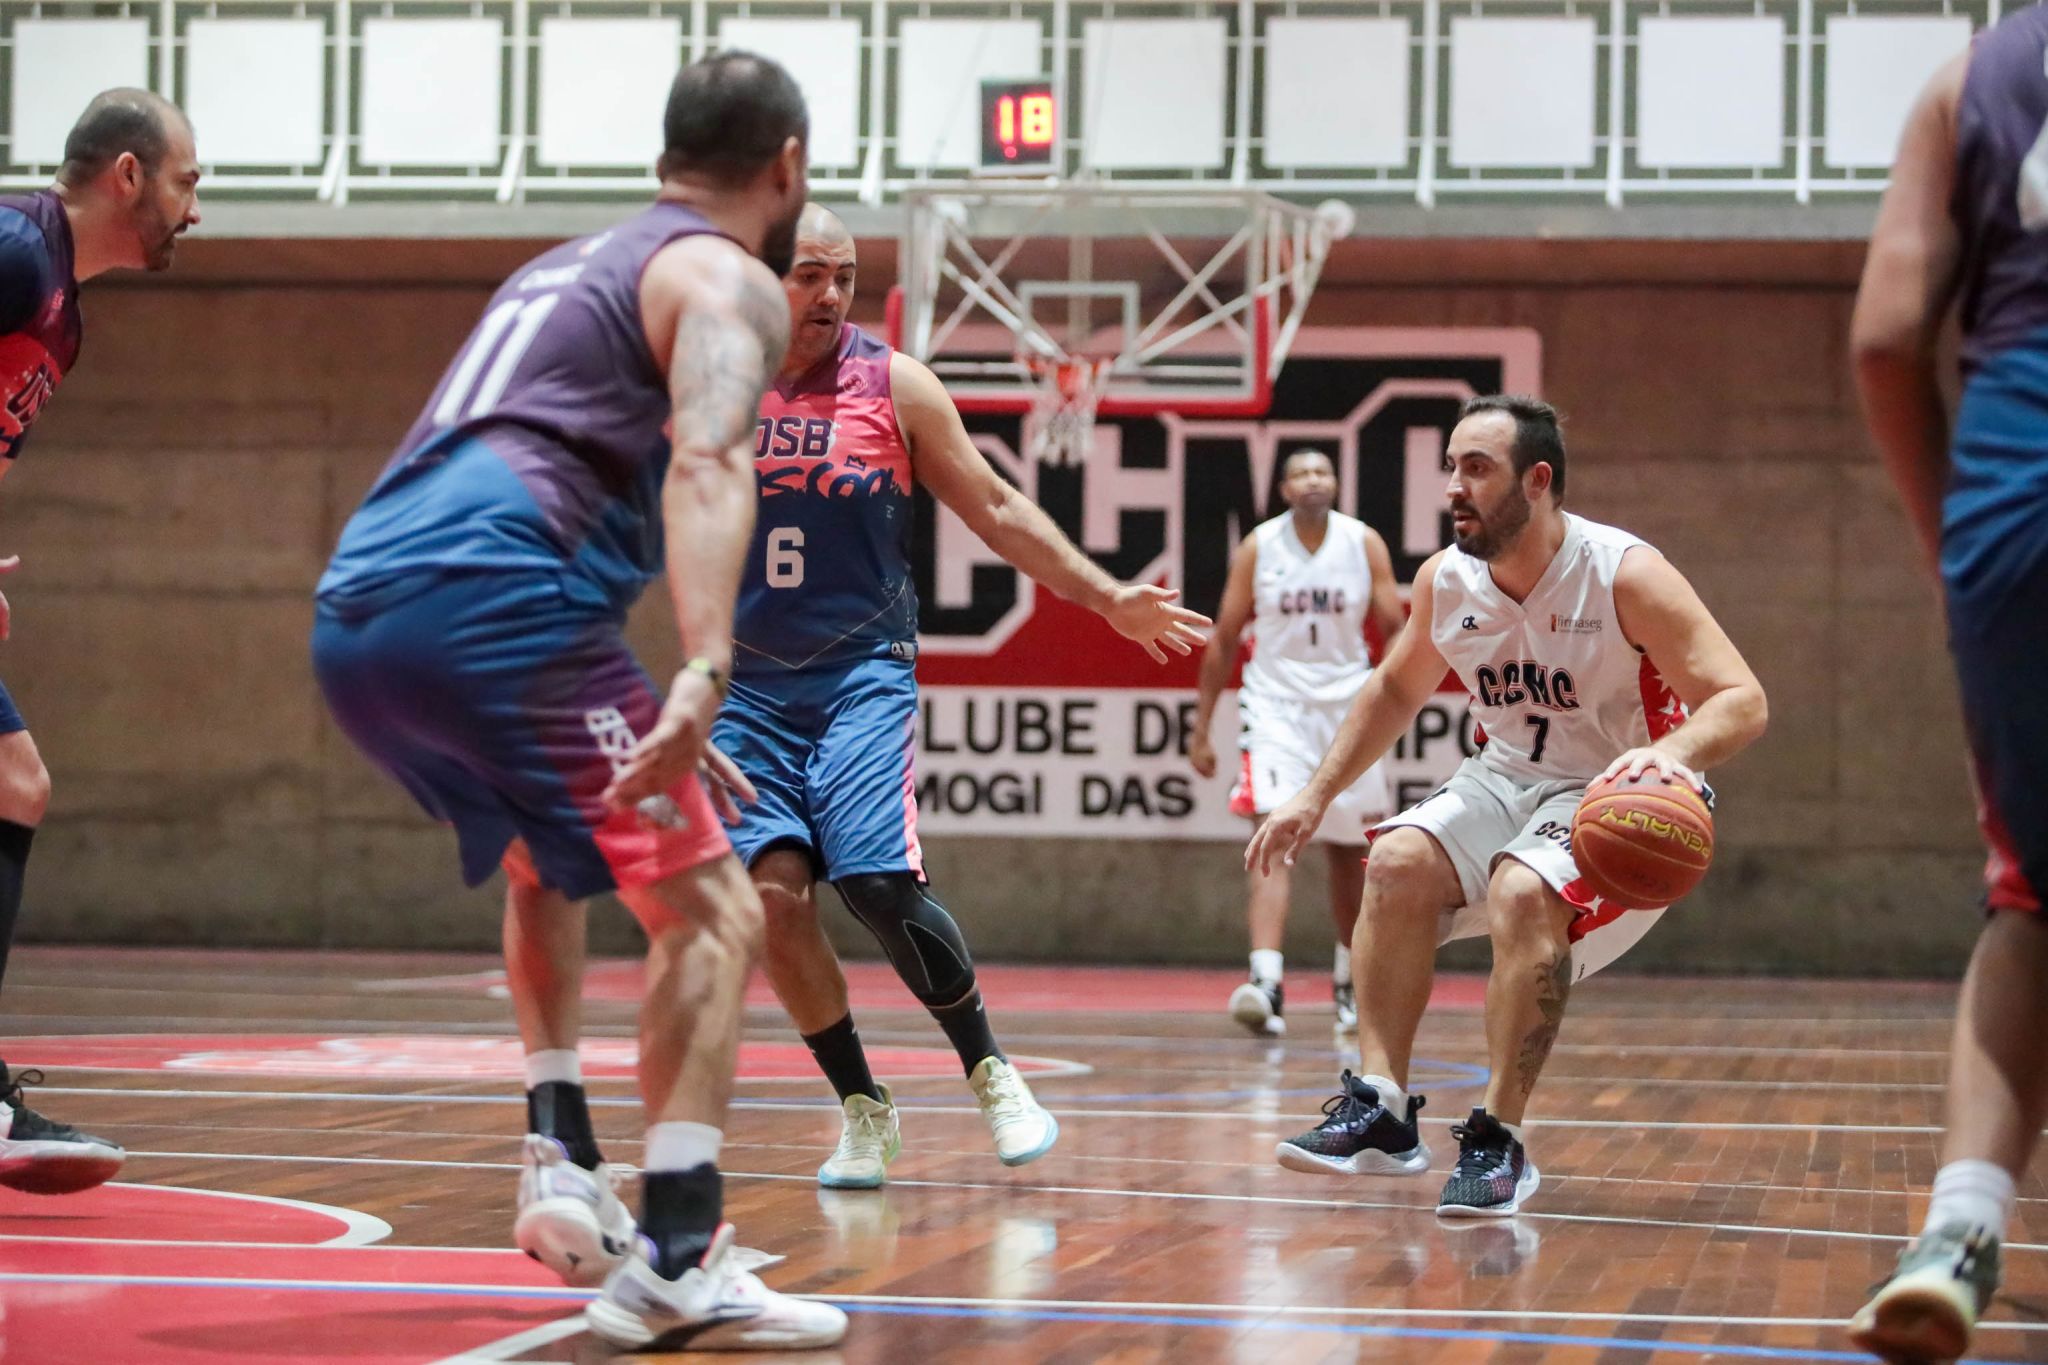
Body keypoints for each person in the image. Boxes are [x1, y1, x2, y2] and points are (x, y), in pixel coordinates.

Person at [310, 54, 845, 1351]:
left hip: (360, 609)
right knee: (714, 909)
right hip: (502, 603)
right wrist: (705, 671)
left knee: (555, 854)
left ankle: (558, 1149)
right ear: (785, 165)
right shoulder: (728, 280)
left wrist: (627, 690)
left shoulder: (559, 266)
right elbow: (711, 463)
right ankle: (677, 1256)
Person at [716, 203, 1209, 1190]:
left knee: (876, 884)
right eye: (808, 274)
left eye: (844, 277)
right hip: (748, 687)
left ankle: (989, 1069)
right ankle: (862, 1110)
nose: (828, 296)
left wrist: (1105, 596)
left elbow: (993, 505)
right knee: (770, 902)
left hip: (861, 672)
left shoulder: (892, 384)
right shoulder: (709, 391)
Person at [1250, 395, 1766, 1216]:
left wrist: (1664, 755)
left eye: (1476, 468)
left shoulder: (1623, 571)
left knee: (1523, 888)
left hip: (1618, 790)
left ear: (1538, 481)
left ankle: (1500, 1139)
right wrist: (1315, 795)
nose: (1455, 486)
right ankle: (1382, 1109)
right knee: (1394, 859)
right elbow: (1393, 686)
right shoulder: (1445, 580)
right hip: (1505, 775)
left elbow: (1742, 698)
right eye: (1451, 467)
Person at [1848, 13, 2048, 1360]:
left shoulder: (1975, 73)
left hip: (2018, 496)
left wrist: (1953, 548)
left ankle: (1961, 1224)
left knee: (2033, 889)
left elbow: (1885, 339)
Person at [0, 88, 200, 1196]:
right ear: (127, 176)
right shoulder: (17, 251)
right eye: (189, 181)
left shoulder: (63, 314)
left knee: (13, 783)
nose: (196, 208)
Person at [1189, 449, 1404, 1037]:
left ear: (1336, 483)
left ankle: (1350, 979)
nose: (1313, 480)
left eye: (1323, 472)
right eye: (1301, 473)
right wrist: (1201, 727)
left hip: (1348, 709)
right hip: (1277, 708)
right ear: (1284, 488)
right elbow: (1225, 635)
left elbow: (1395, 628)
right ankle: (1265, 980)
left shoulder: (1363, 543)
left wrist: (1392, 699)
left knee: (1348, 850)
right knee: (1274, 832)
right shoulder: (1260, 546)